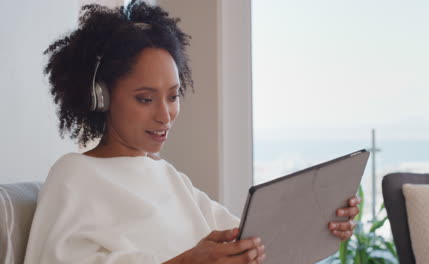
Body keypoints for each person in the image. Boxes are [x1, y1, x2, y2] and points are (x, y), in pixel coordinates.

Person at [24, 1, 360, 263]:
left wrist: (320, 223)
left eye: (173, 96)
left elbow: (256, 245)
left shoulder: (170, 179)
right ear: (101, 96)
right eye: (145, 98)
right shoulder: (74, 176)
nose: (164, 115)